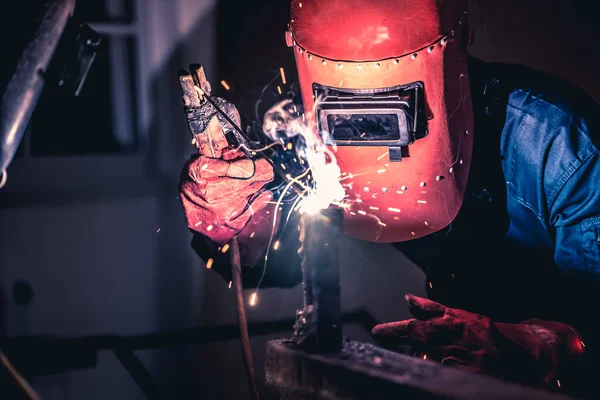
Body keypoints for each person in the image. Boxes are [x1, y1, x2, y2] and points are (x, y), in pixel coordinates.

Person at [179, 0, 600, 397]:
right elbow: (278, 262)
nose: (366, 131)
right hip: (457, 370)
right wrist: (239, 221)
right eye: (346, 111)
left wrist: (546, 345)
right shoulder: (308, 135)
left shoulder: (560, 144)